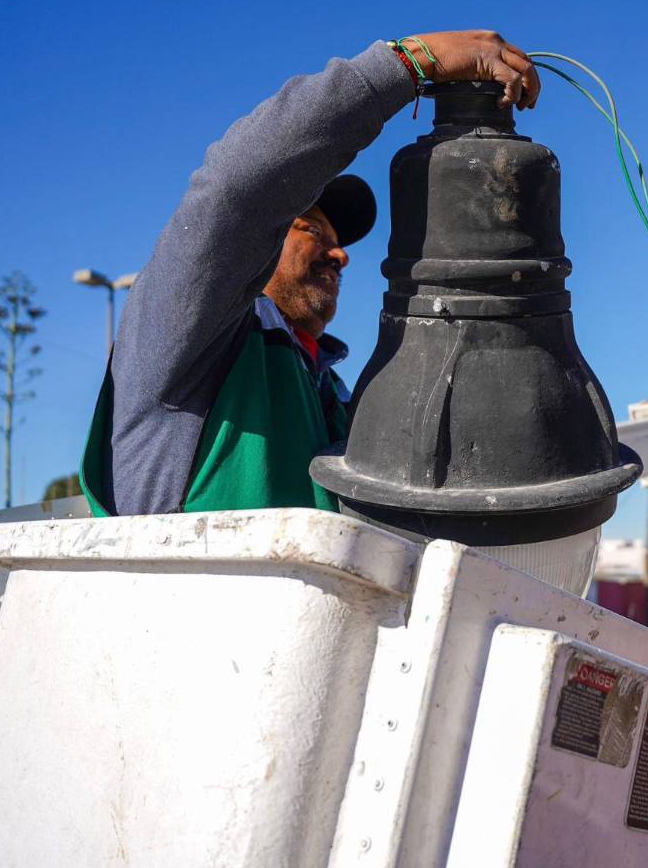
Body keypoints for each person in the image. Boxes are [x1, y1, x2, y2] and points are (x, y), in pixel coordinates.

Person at [79, 31, 540, 517]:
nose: (339, 255)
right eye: (313, 229)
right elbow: (237, 192)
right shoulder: (183, 339)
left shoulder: (334, 397)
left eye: (338, 242)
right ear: (266, 237)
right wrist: (411, 62)